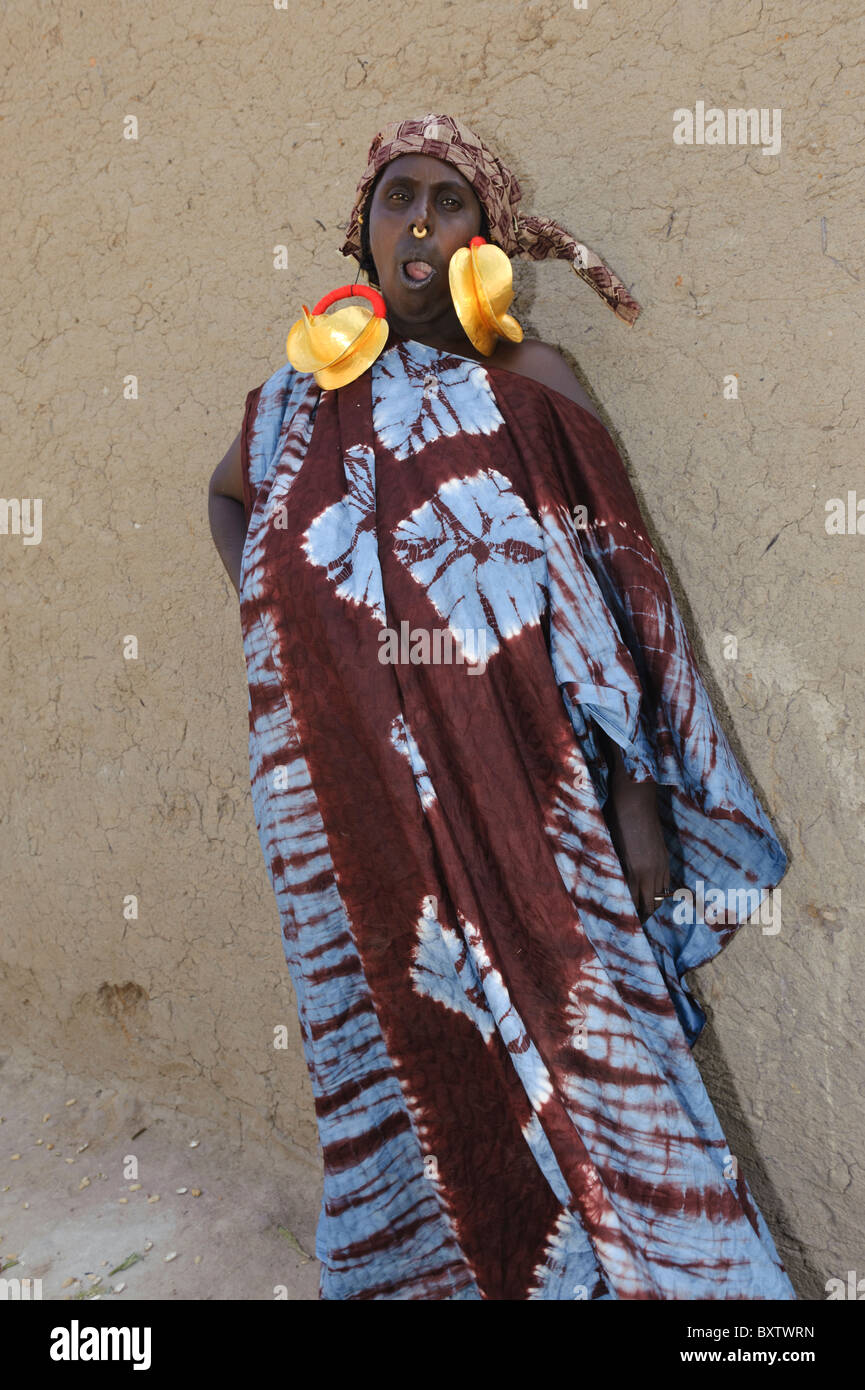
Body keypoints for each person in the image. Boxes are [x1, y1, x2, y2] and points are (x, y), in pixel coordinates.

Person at [208, 113, 795, 1301]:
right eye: (394, 197)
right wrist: (285, 621)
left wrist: (638, 799)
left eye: (447, 201)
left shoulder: (531, 385)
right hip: (351, 798)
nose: (417, 219)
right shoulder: (290, 401)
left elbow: (616, 593)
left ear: (490, 240)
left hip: (533, 787)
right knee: (409, 1050)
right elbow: (227, 500)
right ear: (361, 233)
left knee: (594, 1052)